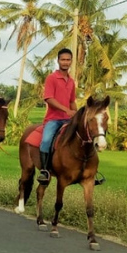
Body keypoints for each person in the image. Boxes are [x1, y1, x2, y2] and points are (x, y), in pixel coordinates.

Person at [36, 48, 77, 184]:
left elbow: (72, 101)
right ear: (58, 61)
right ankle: (44, 171)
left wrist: (75, 114)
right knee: (46, 141)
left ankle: (86, 170)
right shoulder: (51, 78)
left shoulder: (71, 81)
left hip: (68, 120)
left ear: (71, 61)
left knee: (85, 137)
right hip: (53, 119)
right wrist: (66, 110)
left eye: (68, 60)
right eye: (63, 59)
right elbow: (49, 98)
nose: (65, 62)